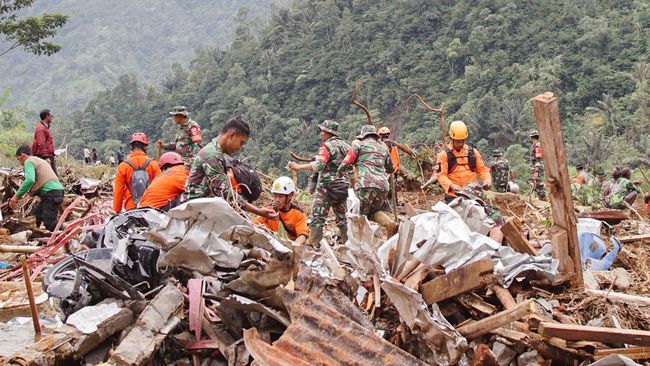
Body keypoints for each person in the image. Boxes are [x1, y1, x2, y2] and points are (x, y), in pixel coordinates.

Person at [184, 116, 277, 220]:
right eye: (241, 143)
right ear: (232, 134)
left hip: (202, 210)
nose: (239, 148)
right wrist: (258, 211)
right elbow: (227, 194)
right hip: (193, 212)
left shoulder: (217, 153)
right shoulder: (211, 155)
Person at [288, 120, 350, 245]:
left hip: (326, 187)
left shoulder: (326, 146)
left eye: (323, 131)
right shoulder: (346, 146)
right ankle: (349, 243)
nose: (321, 134)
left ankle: (314, 243)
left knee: (318, 216)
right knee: (342, 217)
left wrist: (299, 167)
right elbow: (351, 166)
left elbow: (320, 165)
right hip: (342, 186)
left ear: (328, 132)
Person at [338, 125, 394, 219]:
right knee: (374, 215)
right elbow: (391, 169)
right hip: (383, 187)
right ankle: (388, 224)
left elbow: (345, 163)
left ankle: (362, 233)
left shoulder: (358, 145)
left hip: (365, 184)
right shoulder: (383, 149)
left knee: (359, 216)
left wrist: (339, 173)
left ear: (363, 136)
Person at [9, 145, 64, 232]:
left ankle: (60, 240)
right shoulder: (40, 160)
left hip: (50, 193)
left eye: (18, 159)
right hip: (57, 191)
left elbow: (30, 180)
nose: (20, 163)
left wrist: (15, 197)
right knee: (38, 214)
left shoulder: (28, 161)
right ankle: (36, 233)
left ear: (23, 155)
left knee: (49, 222)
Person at [436, 121, 491, 203]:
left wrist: (487, 181)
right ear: (452, 139)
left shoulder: (473, 153)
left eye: (462, 141)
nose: (460, 144)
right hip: (454, 195)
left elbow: (482, 170)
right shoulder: (443, 155)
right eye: (458, 141)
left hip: (472, 194)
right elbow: (440, 175)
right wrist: (451, 185)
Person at [113, 133, 161, 213]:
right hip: (150, 208)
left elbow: (119, 191)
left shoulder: (123, 166)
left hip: (131, 209)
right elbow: (159, 188)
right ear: (145, 146)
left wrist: (117, 210)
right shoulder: (154, 164)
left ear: (131, 147)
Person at [254, 176, 309, 245]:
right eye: (275, 196)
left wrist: (295, 246)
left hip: (288, 245)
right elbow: (254, 224)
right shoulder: (268, 209)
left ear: (290, 196)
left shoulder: (298, 213)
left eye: (280, 196)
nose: (277, 200)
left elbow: (302, 234)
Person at [31, 109, 57, 175]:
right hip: (43, 156)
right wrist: (46, 157)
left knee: (51, 176)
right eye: (51, 115)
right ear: (47, 116)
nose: (52, 117)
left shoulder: (45, 128)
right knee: (52, 176)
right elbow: (41, 143)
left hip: (47, 155)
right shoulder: (41, 128)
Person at [529, 130, 546, 200]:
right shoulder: (535, 146)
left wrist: (536, 171)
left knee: (539, 185)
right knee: (536, 185)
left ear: (532, 137)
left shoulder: (538, 146)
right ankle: (540, 198)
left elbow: (538, 159)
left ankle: (543, 199)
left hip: (538, 168)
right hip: (536, 168)